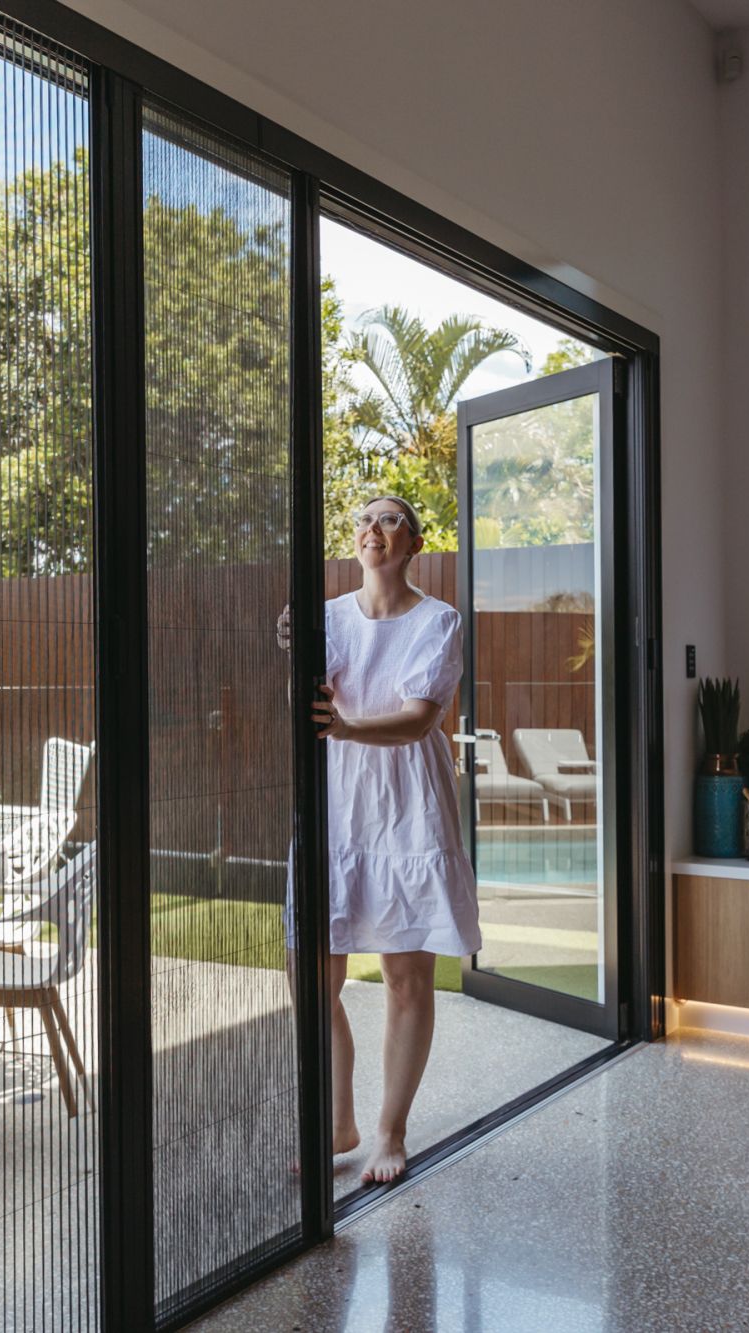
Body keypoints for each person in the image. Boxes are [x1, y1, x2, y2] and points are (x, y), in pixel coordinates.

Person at [281, 495, 478, 1185]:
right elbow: (311, 690)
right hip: (335, 805)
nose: (373, 527)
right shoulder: (328, 616)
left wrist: (345, 728)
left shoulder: (439, 620)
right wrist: (291, 645)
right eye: (364, 519)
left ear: (414, 541)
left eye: (390, 518)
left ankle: (391, 1132)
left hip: (406, 811)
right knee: (313, 976)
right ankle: (339, 1122)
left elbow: (419, 719)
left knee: (404, 977)